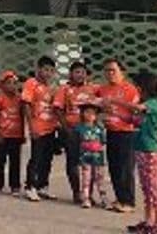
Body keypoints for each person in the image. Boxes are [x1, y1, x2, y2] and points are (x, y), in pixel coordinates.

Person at [110, 72, 157, 233]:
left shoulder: (155, 103)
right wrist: (115, 113)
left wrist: (117, 101)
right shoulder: (147, 105)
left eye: (138, 86)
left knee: (154, 188)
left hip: (151, 151)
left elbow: (137, 108)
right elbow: (134, 121)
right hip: (141, 149)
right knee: (146, 188)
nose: (137, 90)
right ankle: (148, 222)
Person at [98, 57, 140, 213]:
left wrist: (122, 113)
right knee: (114, 167)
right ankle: (120, 198)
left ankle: (128, 201)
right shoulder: (103, 89)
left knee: (126, 168)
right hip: (111, 132)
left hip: (127, 133)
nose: (110, 73)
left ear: (122, 72)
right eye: (107, 70)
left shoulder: (130, 90)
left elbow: (136, 114)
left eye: (113, 70)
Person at [54, 60, 99, 203]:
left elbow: (101, 106)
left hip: (89, 131)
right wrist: (65, 128)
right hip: (72, 130)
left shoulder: (92, 89)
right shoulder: (65, 89)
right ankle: (76, 192)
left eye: (83, 72)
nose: (80, 75)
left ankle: (88, 194)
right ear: (71, 74)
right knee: (73, 162)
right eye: (77, 72)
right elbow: (58, 109)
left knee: (89, 163)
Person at [21, 56, 59, 201]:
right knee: (36, 158)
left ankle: (42, 185)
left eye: (51, 70)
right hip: (38, 127)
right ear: (38, 69)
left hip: (50, 127)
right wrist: (31, 127)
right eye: (45, 69)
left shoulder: (51, 87)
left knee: (47, 158)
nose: (48, 73)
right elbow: (26, 105)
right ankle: (30, 186)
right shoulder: (31, 84)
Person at [0, 70, 24, 195]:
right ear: (3, 85)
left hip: (16, 135)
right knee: (0, 160)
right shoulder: (0, 99)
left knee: (15, 161)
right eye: (8, 83)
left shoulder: (20, 99)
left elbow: (22, 117)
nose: (12, 86)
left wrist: (22, 134)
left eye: (14, 83)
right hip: (3, 134)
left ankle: (15, 186)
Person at [76, 103, 110, 209]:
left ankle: (103, 198)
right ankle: (86, 198)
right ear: (82, 114)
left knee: (99, 178)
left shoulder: (99, 128)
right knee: (86, 178)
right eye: (87, 112)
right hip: (85, 156)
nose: (90, 115)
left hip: (98, 157)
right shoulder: (79, 128)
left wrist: (97, 146)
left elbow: (103, 141)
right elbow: (77, 142)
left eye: (93, 113)